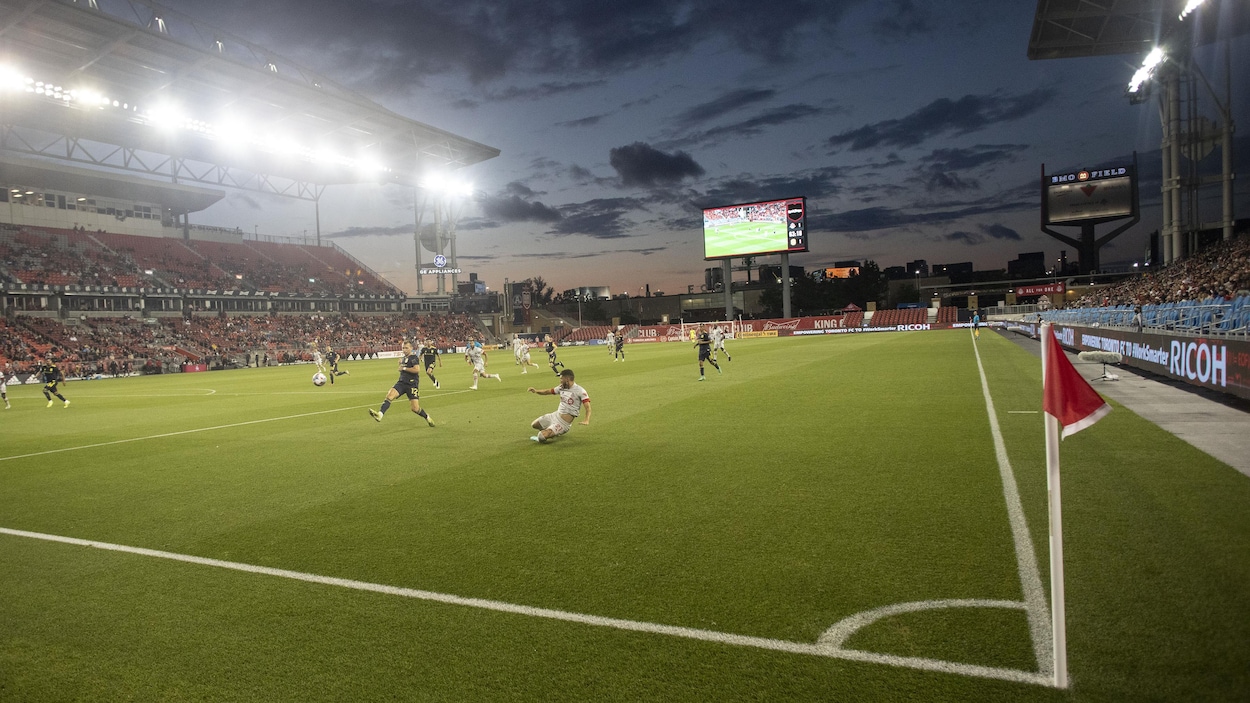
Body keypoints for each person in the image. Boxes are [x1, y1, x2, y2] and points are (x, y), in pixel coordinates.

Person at [368, 341, 435, 427]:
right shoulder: (403, 358)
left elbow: (417, 370)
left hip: (412, 384)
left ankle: (427, 417)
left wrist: (403, 368)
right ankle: (380, 415)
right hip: (402, 383)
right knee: (389, 395)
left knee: (415, 408)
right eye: (403, 348)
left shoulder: (414, 358)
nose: (404, 350)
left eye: (406, 348)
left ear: (411, 348)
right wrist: (401, 364)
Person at [527, 368, 591, 443]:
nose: (560, 381)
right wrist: (536, 391)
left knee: (541, 437)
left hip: (563, 423)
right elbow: (548, 391)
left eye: (561, 379)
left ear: (567, 379)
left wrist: (586, 420)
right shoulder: (561, 387)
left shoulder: (580, 391)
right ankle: (551, 430)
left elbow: (588, 407)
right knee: (534, 425)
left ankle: (553, 432)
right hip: (555, 415)